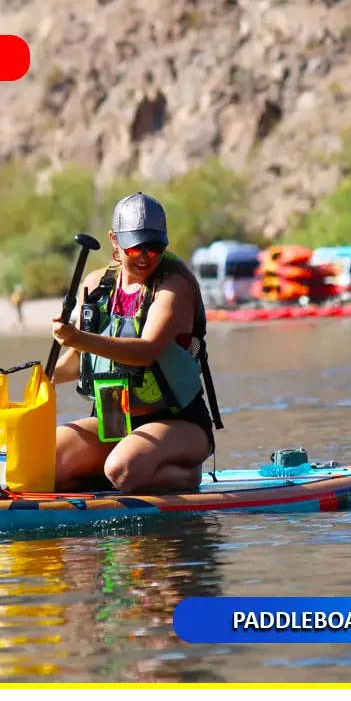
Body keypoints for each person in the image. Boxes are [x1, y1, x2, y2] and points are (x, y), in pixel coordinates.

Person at [49, 192, 223, 495]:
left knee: (122, 469)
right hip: (114, 419)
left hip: (178, 422)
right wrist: (46, 377)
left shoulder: (174, 287)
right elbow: (82, 358)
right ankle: (118, 473)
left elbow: (147, 352)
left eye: (155, 248)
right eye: (135, 247)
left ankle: (185, 475)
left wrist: (79, 337)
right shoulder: (95, 284)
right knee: (47, 460)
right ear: (115, 241)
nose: (144, 256)